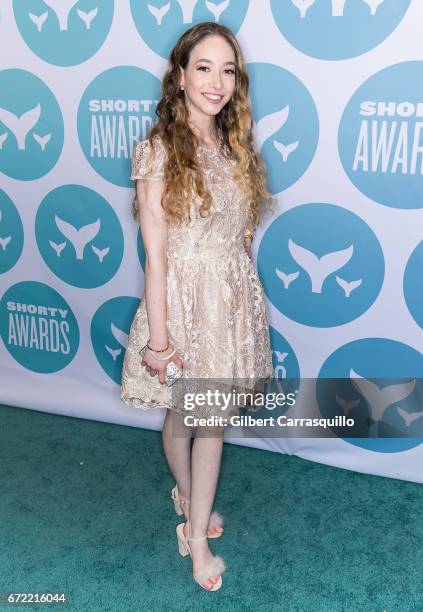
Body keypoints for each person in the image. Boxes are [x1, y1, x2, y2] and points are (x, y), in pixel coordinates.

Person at [121, 21, 275, 592]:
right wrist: (160, 343)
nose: (216, 82)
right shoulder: (158, 152)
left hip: (228, 304)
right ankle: (195, 532)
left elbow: (240, 233)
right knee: (184, 417)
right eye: (203, 68)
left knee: (211, 422)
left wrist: (241, 296)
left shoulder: (236, 145)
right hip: (181, 306)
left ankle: (194, 510)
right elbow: (156, 257)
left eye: (227, 69)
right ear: (180, 76)